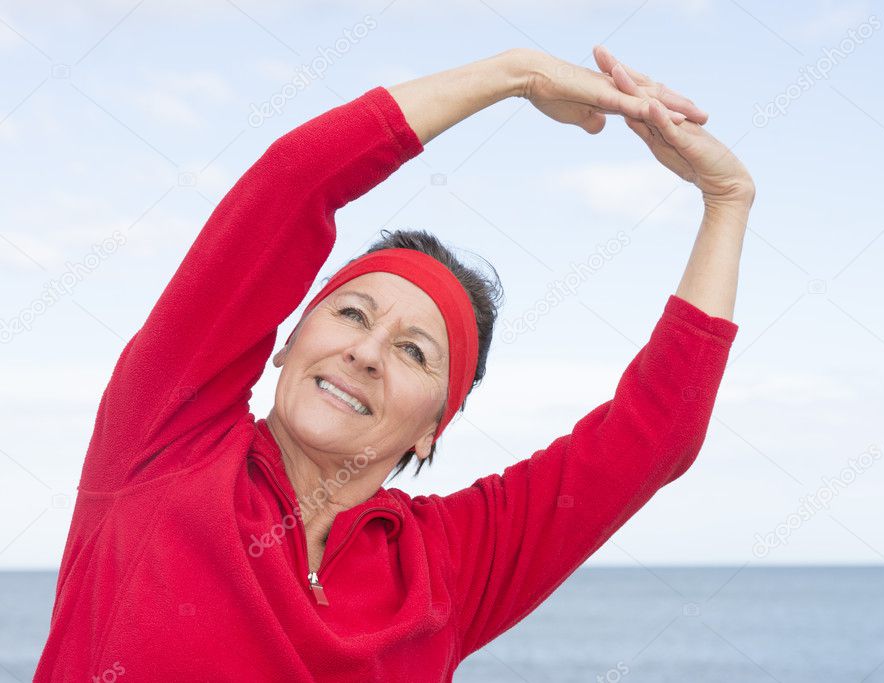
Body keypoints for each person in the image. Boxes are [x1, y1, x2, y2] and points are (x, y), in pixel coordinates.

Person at [34, 45, 753, 681]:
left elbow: (653, 435)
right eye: (351, 312)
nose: (366, 351)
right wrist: (513, 74)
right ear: (285, 340)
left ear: (430, 430)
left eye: (414, 351)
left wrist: (726, 201)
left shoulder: (450, 566)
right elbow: (293, 185)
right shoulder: (162, 444)